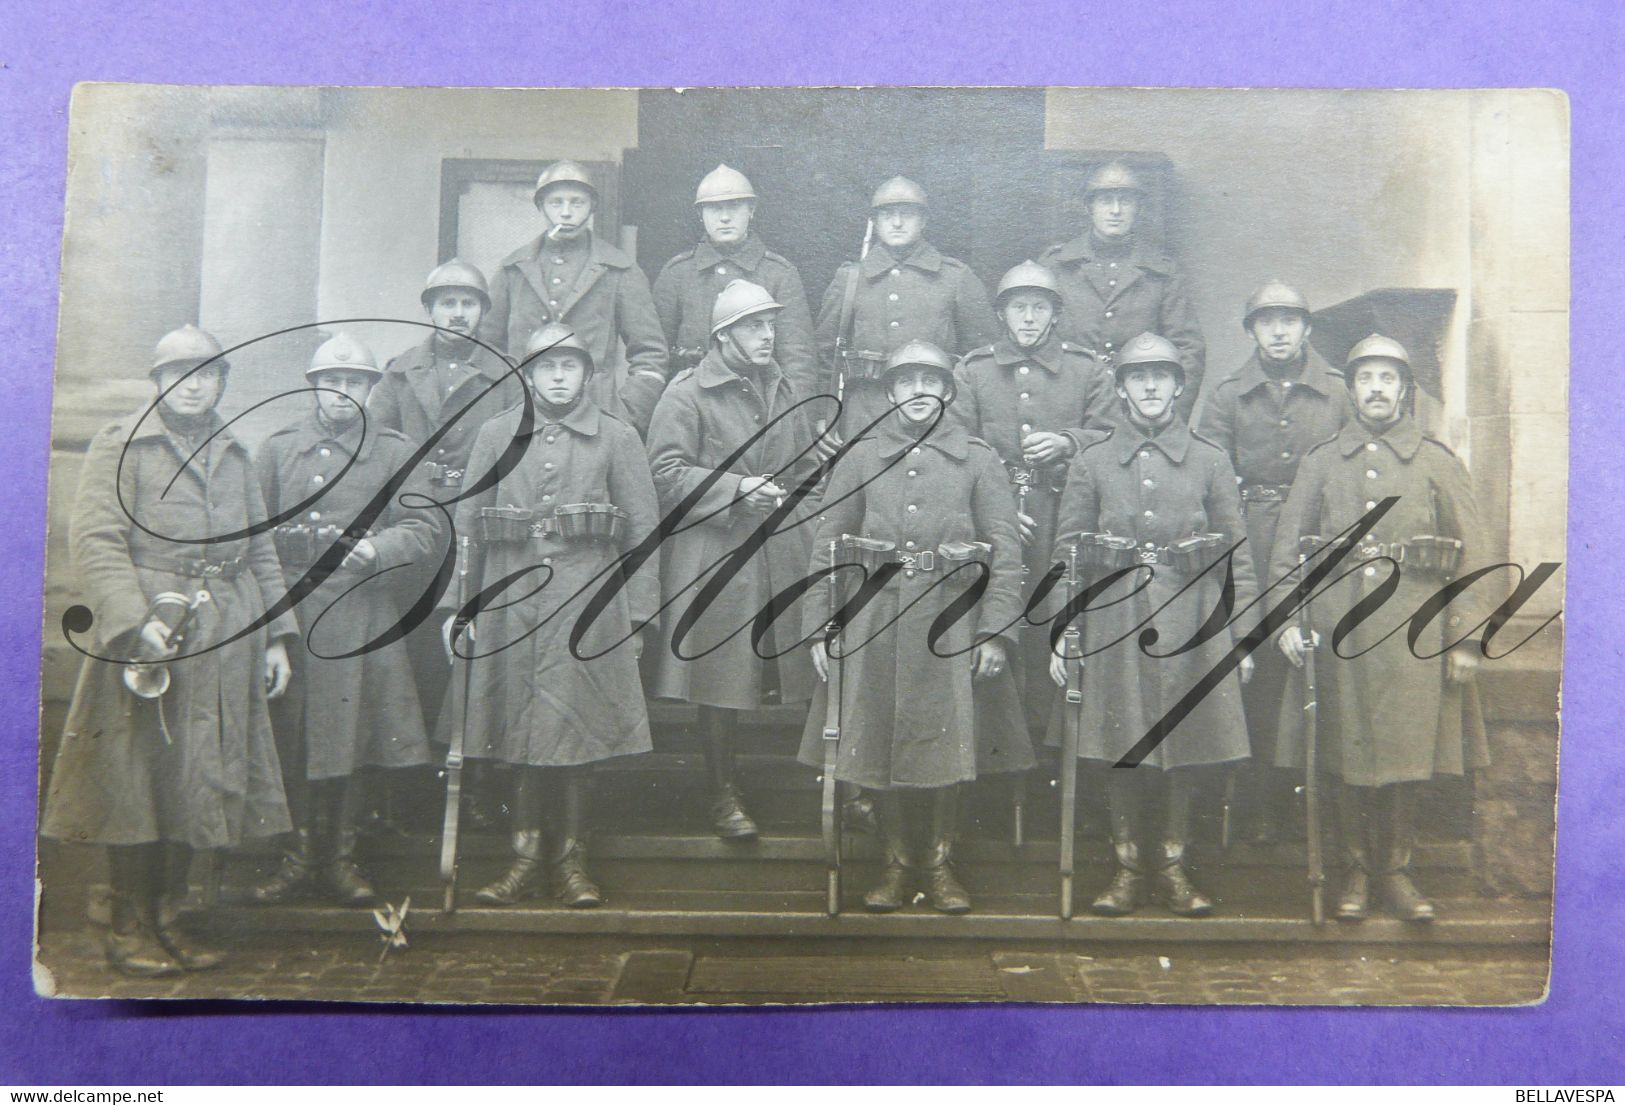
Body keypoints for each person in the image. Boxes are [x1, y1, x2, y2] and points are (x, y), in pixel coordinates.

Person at [42, 324, 296, 975]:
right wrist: (134, 624)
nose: (194, 386)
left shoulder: (234, 452)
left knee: (196, 776)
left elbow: (260, 548)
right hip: (150, 634)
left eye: (207, 373)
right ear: (158, 381)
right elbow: (96, 537)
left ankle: (170, 918)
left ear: (220, 383)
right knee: (137, 776)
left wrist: (276, 636)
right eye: (180, 374)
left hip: (224, 633)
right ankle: (127, 924)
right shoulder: (121, 443)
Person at [800, 341, 1029, 913]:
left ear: (948, 391)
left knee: (945, 744)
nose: (918, 391)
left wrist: (995, 631)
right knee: (879, 739)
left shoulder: (979, 459)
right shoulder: (860, 457)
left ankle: (940, 863)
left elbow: (1006, 550)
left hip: (951, 622)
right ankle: (897, 862)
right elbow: (826, 546)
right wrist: (820, 625)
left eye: (931, 380)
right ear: (891, 392)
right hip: (873, 619)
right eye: (906, 382)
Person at [441, 323, 661, 907]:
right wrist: (459, 607)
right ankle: (524, 859)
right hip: (509, 602)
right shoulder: (494, 435)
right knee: (517, 728)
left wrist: (638, 616)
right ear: (528, 374)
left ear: (588, 375)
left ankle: (570, 864)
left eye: (570, 366)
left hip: (588, 606)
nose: (558, 377)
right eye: (546, 366)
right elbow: (467, 524)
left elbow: (643, 535)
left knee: (575, 732)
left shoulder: (617, 438)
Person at [1270, 334, 1487, 922]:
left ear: (1405, 391)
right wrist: (1288, 619)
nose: (1376, 389)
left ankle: (1396, 871)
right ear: (1351, 389)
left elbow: (1475, 552)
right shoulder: (1321, 461)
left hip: (1415, 630)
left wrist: (1466, 638)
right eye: (1365, 378)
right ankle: (1357, 870)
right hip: (1337, 628)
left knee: (1405, 752)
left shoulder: (1437, 460)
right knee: (1344, 752)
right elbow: (1288, 548)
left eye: (1387, 378)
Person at [1049, 332, 1256, 917]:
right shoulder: (1091, 462)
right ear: (1120, 389)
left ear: (1178, 386)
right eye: (1138, 377)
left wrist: (1240, 637)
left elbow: (1236, 552)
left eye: (1160, 376)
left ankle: (1171, 864)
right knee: (1120, 743)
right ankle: (1126, 866)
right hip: (1112, 620)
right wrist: (1065, 632)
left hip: (1192, 619)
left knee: (1183, 743)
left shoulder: (1210, 459)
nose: (1149, 387)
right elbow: (1067, 553)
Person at [248, 334, 439, 908]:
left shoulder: (393, 449)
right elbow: (253, 540)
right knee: (298, 733)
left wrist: (379, 549)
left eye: (356, 383)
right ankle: (298, 856)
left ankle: (342, 859)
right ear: (314, 386)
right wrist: (269, 629)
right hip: (294, 609)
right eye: (333, 382)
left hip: (361, 610)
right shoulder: (278, 449)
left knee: (353, 736)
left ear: (370, 389)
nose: (344, 393)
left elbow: (427, 530)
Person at [646, 279, 821, 840]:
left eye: (770, 324)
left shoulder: (784, 389)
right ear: (723, 336)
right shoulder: (686, 393)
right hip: (714, 552)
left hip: (780, 549)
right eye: (754, 325)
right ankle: (723, 794)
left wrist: (803, 519)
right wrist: (737, 487)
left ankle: (837, 790)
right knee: (718, 680)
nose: (768, 335)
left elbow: (802, 474)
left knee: (804, 665)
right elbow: (665, 476)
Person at [1196, 280, 1349, 843]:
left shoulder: (1337, 391)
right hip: (1251, 541)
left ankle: (1319, 808)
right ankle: (1256, 802)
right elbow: (1209, 474)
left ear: (1307, 327)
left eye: (1289, 319)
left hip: (1320, 543)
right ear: (1252, 331)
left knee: (1322, 660)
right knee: (1255, 671)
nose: (1279, 331)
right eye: (1267, 321)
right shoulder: (1229, 394)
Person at [954, 260, 1115, 730]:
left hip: (1064, 515)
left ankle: (1051, 750)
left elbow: (1113, 435)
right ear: (1002, 314)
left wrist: (1069, 441)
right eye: (1018, 308)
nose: (1028, 318)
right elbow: (958, 445)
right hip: (993, 521)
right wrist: (998, 508)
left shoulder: (1087, 370)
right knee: (995, 624)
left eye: (1038, 307)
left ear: (1054, 314)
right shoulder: (974, 369)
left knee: (1057, 623)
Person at [371, 259, 523, 721]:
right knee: (413, 635)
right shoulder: (400, 373)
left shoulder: (507, 374)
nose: (458, 313)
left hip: (477, 522)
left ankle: (470, 763)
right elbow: (375, 447)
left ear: (482, 311)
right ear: (430, 311)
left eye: (468, 304)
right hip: (416, 523)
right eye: (447, 303)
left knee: (472, 634)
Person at [479, 159, 669, 435]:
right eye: (556, 203)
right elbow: (486, 347)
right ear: (541, 206)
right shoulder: (514, 269)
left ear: (592, 207)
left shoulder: (619, 270)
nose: (566, 213)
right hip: (522, 417)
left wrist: (627, 413)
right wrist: (503, 404)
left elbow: (650, 352)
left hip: (597, 418)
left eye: (576, 203)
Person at [813, 176, 995, 440]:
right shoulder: (850, 278)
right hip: (865, 413)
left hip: (938, 412)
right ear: (874, 222)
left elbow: (982, 357)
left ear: (923, 221)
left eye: (907, 214)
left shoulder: (955, 277)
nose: (897, 223)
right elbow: (825, 354)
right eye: (887, 215)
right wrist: (823, 413)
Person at [1039, 161, 1205, 419]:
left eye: (1125, 201)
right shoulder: (1056, 266)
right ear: (1089, 207)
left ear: (1137, 208)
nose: (1115, 210)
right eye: (1106, 200)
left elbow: (1188, 349)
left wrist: (1170, 413)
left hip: (1137, 408)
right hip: (1071, 406)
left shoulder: (1162, 271)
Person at [653, 164, 818, 399]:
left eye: (734, 206)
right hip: (692, 402)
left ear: (751, 210)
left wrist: (796, 422)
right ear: (700, 215)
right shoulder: (677, 273)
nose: (725, 217)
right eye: (714, 209)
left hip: (759, 401)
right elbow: (656, 355)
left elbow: (798, 361)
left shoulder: (779, 274)